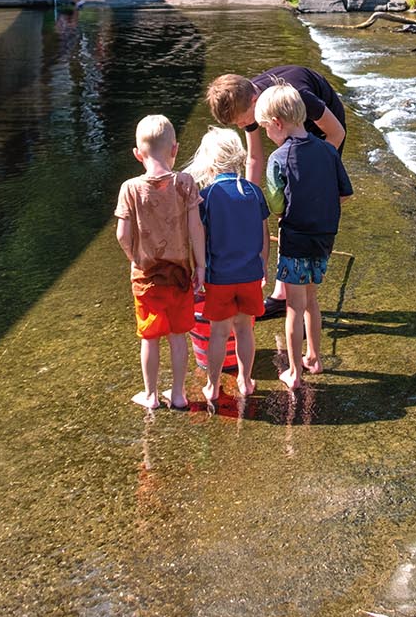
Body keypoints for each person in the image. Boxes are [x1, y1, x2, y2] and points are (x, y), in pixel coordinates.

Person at [206, 66, 347, 317]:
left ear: (254, 100)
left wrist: (311, 177)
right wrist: (246, 199)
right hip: (290, 140)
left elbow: (336, 133)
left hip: (323, 135)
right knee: (287, 213)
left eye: (243, 121)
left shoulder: (298, 95)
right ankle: (284, 294)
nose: (243, 125)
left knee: (310, 213)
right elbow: (255, 158)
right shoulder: (248, 101)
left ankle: (307, 286)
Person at [254, 83, 352, 391]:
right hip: (324, 239)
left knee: (294, 306)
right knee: (312, 300)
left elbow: (276, 204)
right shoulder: (327, 150)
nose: (267, 135)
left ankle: (295, 373)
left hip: (295, 238)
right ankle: (315, 357)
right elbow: (344, 194)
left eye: (266, 128)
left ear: (278, 124)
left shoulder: (278, 159)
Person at [114, 114, 205, 410]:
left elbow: (122, 234)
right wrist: (200, 265)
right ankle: (178, 394)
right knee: (179, 335)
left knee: (150, 336)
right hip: (180, 275)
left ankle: (151, 395)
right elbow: (196, 229)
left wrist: (134, 257)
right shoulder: (185, 183)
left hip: (146, 276)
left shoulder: (130, 188)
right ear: (175, 149)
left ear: (137, 154)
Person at [186, 127, 269, 402]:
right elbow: (264, 233)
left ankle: (212, 385)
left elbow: (201, 238)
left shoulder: (207, 197)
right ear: (239, 158)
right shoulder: (254, 192)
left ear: (209, 163)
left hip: (219, 277)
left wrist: (199, 267)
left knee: (219, 333)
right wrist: (263, 266)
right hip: (249, 275)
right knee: (245, 329)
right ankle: (245, 381)